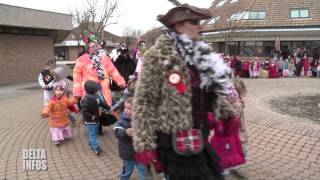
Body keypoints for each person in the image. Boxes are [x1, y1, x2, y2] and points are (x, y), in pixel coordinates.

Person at [132, 4, 237, 180]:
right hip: (175, 143)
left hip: (200, 137)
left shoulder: (200, 54)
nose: (200, 26)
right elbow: (144, 101)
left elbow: (209, 92)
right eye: (194, 22)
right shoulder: (157, 56)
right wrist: (144, 143)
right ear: (179, 26)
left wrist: (226, 114)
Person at [73, 37, 126, 135]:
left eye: (96, 46)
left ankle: (99, 126)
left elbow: (113, 70)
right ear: (88, 49)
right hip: (89, 90)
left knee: (102, 108)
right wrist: (77, 92)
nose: (95, 48)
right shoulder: (81, 60)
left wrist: (120, 81)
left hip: (103, 89)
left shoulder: (104, 58)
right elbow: (77, 77)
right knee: (92, 108)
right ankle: (94, 127)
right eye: (92, 47)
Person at [114, 97, 145, 180]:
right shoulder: (122, 120)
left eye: (129, 108)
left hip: (141, 152)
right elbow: (117, 131)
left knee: (143, 172)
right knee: (127, 172)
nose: (126, 110)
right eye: (125, 108)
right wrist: (125, 132)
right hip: (128, 154)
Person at [81, 80, 103, 155]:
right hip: (90, 121)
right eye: (96, 90)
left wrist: (108, 107)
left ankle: (91, 142)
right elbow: (84, 111)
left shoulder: (96, 96)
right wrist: (92, 116)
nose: (98, 91)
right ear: (91, 90)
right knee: (92, 134)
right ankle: (95, 147)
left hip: (96, 119)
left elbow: (101, 102)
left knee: (94, 133)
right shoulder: (86, 100)